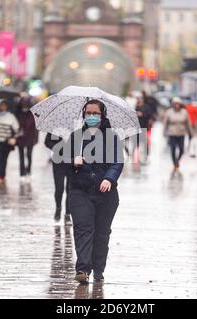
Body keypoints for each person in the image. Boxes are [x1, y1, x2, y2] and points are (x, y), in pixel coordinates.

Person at [67, 99, 124, 284]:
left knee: (101, 233)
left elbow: (117, 161)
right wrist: (72, 162)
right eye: (88, 113)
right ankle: (83, 269)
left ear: (102, 115)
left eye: (95, 113)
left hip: (106, 195)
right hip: (80, 191)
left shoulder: (111, 137)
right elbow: (62, 162)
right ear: (83, 114)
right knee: (83, 229)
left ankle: (98, 269)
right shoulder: (76, 137)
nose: (91, 116)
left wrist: (109, 178)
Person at [0, 100, 20, 184]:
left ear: (6, 107)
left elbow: (16, 128)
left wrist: (13, 137)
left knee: (3, 159)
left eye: (3, 106)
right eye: (0, 105)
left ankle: (1, 175)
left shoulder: (11, 117)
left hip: (6, 142)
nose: (1, 107)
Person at [45, 133, 71, 224]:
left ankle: (68, 214)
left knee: (70, 189)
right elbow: (47, 142)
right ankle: (58, 208)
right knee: (59, 188)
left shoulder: (77, 128)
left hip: (72, 163)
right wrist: (59, 148)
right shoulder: (55, 128)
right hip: (58, 162)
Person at [163, 97, 192, 174]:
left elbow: (188, 123)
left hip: (181, 133)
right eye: (175, 104)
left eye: (178, 104)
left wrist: (190, 133)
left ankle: (177, 161)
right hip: (172, 133)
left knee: (182, 149)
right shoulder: (169, 112)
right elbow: (165, 123)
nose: (176, 105)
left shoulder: (184, 112)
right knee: (173, 149)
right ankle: (175, 163)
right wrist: (164, 133)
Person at [15, 96, 38, 182]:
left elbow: (35, 128)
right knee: (21, 156)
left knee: (29, 155)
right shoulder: (18, 113)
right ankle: (22, 173)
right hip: (21, 137)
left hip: (30, 137)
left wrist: (35, 139)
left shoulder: (32, 113)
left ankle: (28, 171)